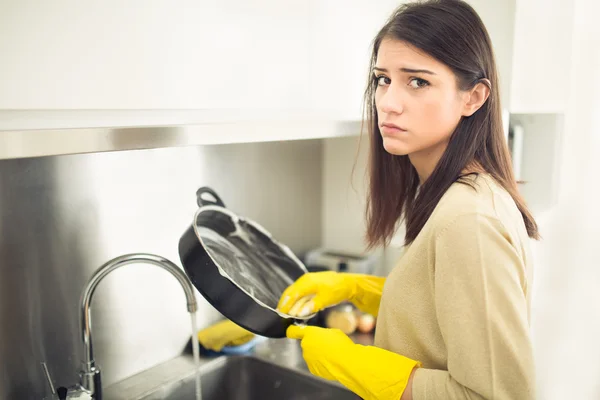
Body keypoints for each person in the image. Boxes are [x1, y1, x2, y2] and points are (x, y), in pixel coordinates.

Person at [277, 0, 539, 399]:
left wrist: (357, 366)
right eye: (383, 79)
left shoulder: (467, 220)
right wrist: (356, 289)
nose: (388, 102)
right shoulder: (458, 196)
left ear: (473, 98)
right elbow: (445, 315)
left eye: (417, 81)